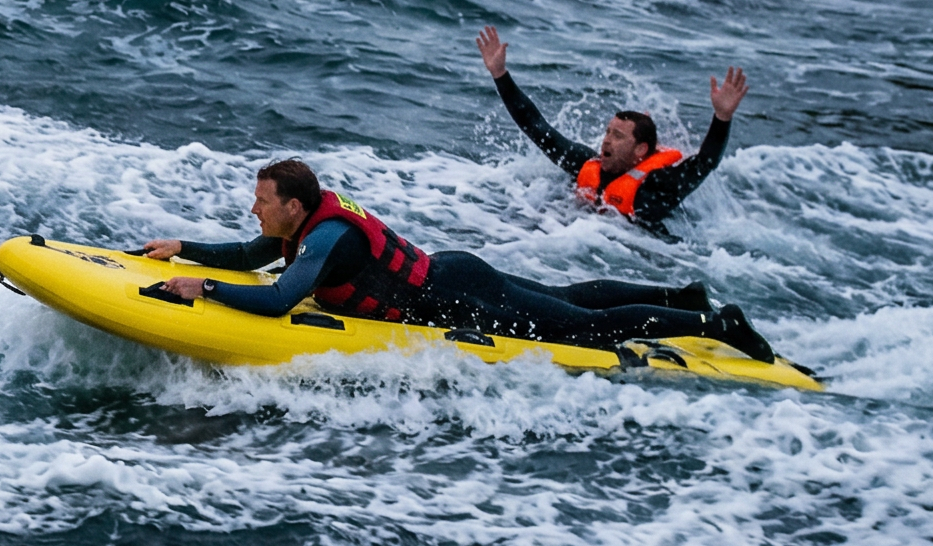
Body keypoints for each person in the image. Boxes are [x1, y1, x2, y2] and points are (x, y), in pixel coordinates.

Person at [140, 158, 777, 361]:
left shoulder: (329, 239)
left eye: (261, 201)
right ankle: (682, 296)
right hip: (455, 271)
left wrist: (205, 290)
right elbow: (254, 254)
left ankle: (715, 327)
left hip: (462, 297)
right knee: (574, 297)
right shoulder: (306, 224)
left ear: (295, 205)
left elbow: (278, 299)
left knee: (582, 329)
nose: (254, 210)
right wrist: (185, 249)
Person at [474, 26, 746, 234]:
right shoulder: (585, 163)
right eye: (607, 132)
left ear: (640, 149)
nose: (607, 140)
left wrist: (722, 117)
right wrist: (500, 75)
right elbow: (535, 126)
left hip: (644, 252)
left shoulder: (658, 187)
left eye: (618, 136)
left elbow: (705, 162)